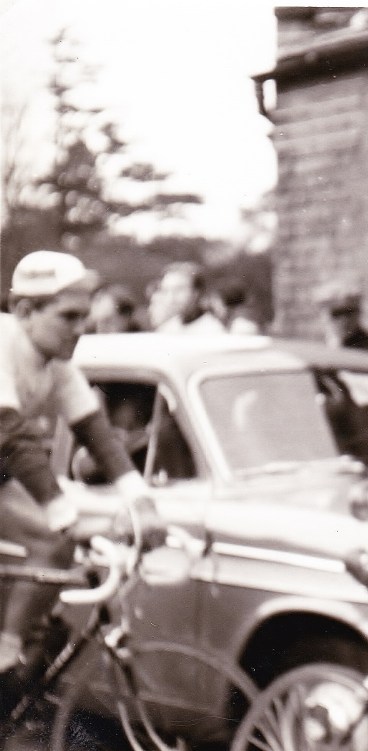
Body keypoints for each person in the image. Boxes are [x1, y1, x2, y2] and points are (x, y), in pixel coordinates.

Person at [0, 251, 163, 696]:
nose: (81, 328)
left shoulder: (58, 365)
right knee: (57, 531)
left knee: (55, 544)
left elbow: (98, 434)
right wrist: (62, 511)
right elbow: (10, 435)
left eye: (85, 316)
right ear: (23, 312)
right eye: (68, 316)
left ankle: (8, 648)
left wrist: (142, 500)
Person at [152, 262, 226, 335]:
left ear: (196, 293)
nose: (171, 298)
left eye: (178, 290)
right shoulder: (166, 329)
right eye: (166, 290)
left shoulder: (213, 332)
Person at [314, 279, 368, 350]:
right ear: (322, 315)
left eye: (349, 312)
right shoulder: (314, 344)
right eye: (337, 313)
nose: (344, 320)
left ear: (359, 312)